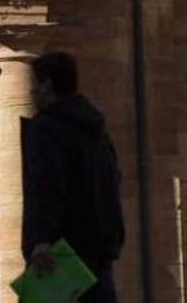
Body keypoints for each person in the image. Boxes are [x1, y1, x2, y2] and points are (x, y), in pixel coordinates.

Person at [22, 52, 125, 303]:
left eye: (34, 83)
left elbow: (46, 185)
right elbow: (114, 181)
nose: (32, 91)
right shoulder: (97, 130)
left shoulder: (47, 127)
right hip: (99, 250)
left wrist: (41, 239)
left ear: (47, 86)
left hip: (61, 254)